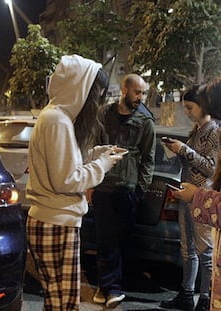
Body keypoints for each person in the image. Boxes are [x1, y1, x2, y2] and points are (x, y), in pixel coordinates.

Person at [26, 54, 125, 311]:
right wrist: (102, 165)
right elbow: (67, 179)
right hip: (56, 223)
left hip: (52, 221)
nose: (97, 102)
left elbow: (67, 161)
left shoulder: (56, 117)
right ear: (81, 88)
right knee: (64, 305)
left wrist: (98, 153)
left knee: (57, 303)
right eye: (97, 94)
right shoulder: (57, 121)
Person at [91, 73, 156, 308]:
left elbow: (148, 159)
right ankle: (109, 288)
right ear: (125, 90)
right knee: (104, 239)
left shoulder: (145, 121)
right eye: (137, 92)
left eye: (143, 93)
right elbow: (91, 147)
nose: (140, 97)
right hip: (103, 186)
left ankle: (109, 286)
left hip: (128, 188)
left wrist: (141, 189)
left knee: (119, 241)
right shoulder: (103, 114)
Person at [160, 85, 218, 311]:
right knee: (188, 249)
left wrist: (184, 150)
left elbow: (211, 169)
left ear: (203, 105)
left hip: (203, 199)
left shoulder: (214, 131)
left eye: (189, 107)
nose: (186, 112)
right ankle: (186, 293)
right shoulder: (197, 129)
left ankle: (205, 298)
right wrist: (176, 151)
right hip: (186, 195)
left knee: (205, 251)